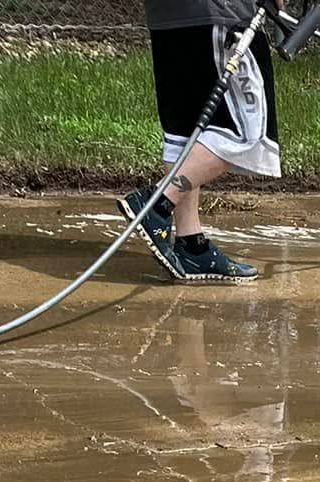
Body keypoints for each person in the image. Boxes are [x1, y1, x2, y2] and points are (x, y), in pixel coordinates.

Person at [118, 0, 281, 283]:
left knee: (186, 133)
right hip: (220, 12)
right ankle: (157, 204)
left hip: (168, 17)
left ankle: (191, 244)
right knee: (248, 135)